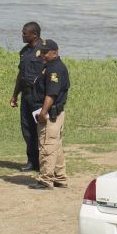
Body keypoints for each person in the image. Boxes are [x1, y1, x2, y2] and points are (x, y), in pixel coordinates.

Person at [32, 40, 70, 189]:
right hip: (54, 113)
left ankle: (45, 180)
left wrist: (43, 112)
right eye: (41, 51)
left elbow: (51, 94)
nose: (42, 54)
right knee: (56, 146)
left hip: (50, 115)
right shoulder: (50, 66)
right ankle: (60, 178)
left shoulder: (55, 70)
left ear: (55, 52)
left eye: (45, 52)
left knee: (47, 146)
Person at [9, 21, 45, 172]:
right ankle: (32, 161)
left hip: (39, 96)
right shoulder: (24, 51)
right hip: (26, 95)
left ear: (34, 34)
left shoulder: (45, 49)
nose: (22, 35)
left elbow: (51, 70)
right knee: (27, 129)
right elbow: (20, 75)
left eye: (25, 33)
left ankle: (44, 162)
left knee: (41, 130)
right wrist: (15, 94)